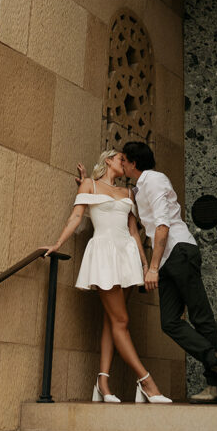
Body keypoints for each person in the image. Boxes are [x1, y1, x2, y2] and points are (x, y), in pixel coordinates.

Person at [79, 141, 217, 404]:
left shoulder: (153, 181)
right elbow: (112, 207)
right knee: (170, 322)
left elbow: (162, 225)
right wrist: (87, 187)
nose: (123, 163)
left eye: (124, 159)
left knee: (200, 315)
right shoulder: (137, 189)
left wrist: (151, 268)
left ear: (133, 163)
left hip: (178, 251)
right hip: (164, 261)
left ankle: (215, 385)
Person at [43, 149, 171, 404]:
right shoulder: (89, 185)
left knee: (112, 321)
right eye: (120, 159)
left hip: (128, 258)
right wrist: (58, 243)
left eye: (125, 159)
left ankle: (102, 382)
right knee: (121, 320)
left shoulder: (128, 192)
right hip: (104, 253)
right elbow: (77, 216)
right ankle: (146, 381)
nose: (124, 163)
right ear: (108, 161)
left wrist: (145, 265)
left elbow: (133, 231)